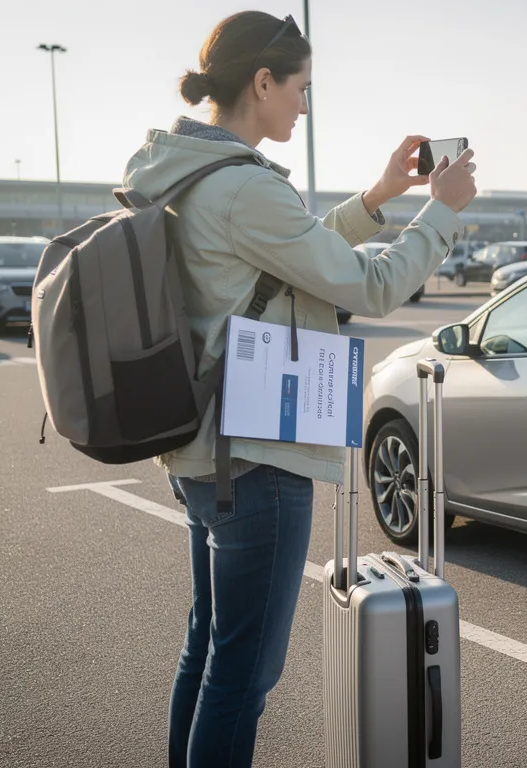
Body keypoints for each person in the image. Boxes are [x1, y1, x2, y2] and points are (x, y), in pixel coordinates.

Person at [121, 10, 477, 767]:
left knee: (208, 651)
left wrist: (380, 195)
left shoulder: (187, 170)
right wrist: (439, 213)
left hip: (201, 448)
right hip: (259, 459)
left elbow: (287, 252)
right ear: (262, 83)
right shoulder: (243, 189)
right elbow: (373, 286)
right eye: (301, 88)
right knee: (243, 676)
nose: (304, 105)